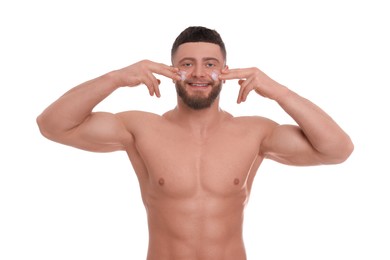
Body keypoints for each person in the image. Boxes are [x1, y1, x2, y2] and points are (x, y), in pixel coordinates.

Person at [36, 26, 354, 260]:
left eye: (210, 64)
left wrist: (279, 91)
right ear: (173, 71)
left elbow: (337, 149)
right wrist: (117, 77)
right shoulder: (139, 128)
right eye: (187, 64)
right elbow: (52, 125)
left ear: (225, 72)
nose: (198, 73)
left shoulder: (255, 133)